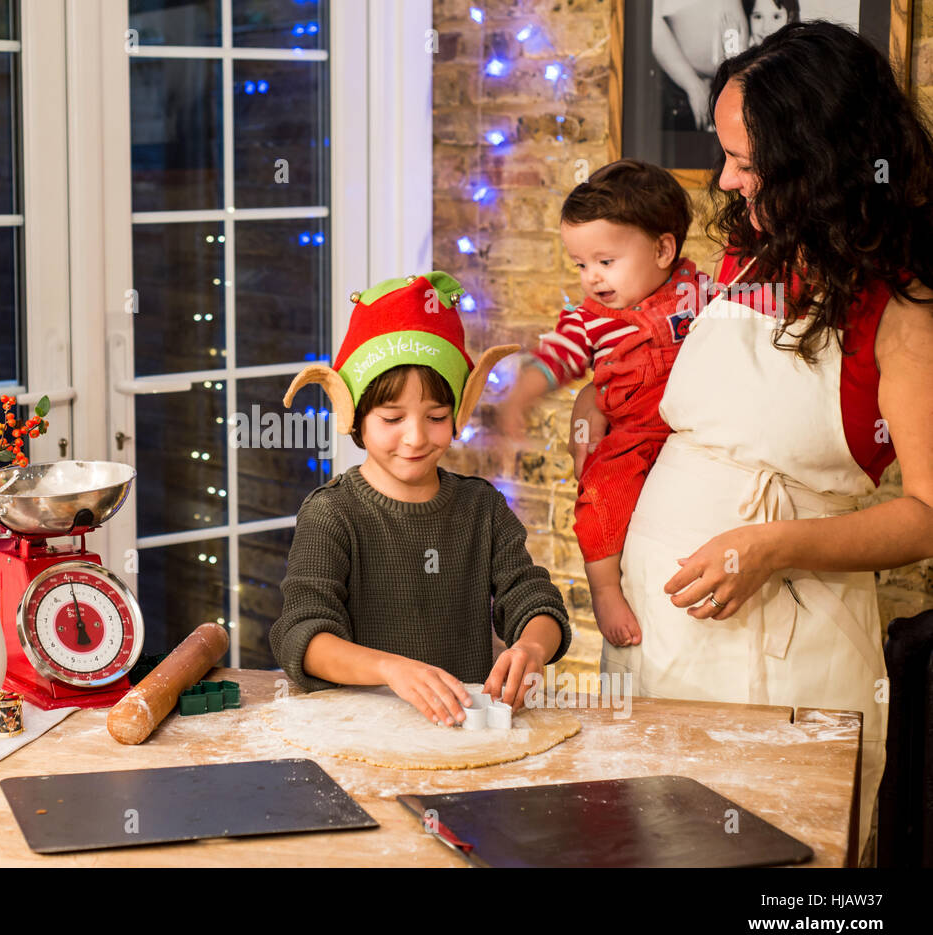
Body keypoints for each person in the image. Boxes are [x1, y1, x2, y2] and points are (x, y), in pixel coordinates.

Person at [567, 21, 933, 853]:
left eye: (744, 159)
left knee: (769, 864)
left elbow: (927, 513)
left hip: (789, 639)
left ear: (819, 159)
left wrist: (771, 548)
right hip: (664, 625)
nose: (726, 179)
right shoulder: (751, 254)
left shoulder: (903, 313)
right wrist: (599, 395)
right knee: (649, 842)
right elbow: (694, 389)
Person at [270, 272, 573, 727]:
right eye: (392, 417)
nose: (415, 438)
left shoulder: (481, 508)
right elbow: (302, 635)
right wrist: (390, 669)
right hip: (359, 729)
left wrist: (531, 646)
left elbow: (533, 598)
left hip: (462, 729)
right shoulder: (332, 512)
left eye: (435, 416)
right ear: (353, 415)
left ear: (459, 413)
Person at [495, 160, 711, 648]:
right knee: (600, 499)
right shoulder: (590, 321)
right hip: (631, 434)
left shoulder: (697, 291)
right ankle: (606, 590)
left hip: (694, 429)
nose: (592, 278)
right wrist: (519, 399)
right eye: (581, 265)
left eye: (605, 261)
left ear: (663, 248)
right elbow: (557, 358)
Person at [653, 0, 748, 131]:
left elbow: (734, 14)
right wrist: (693, 86)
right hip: (688, 91)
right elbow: (653, 26)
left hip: (733, 83)